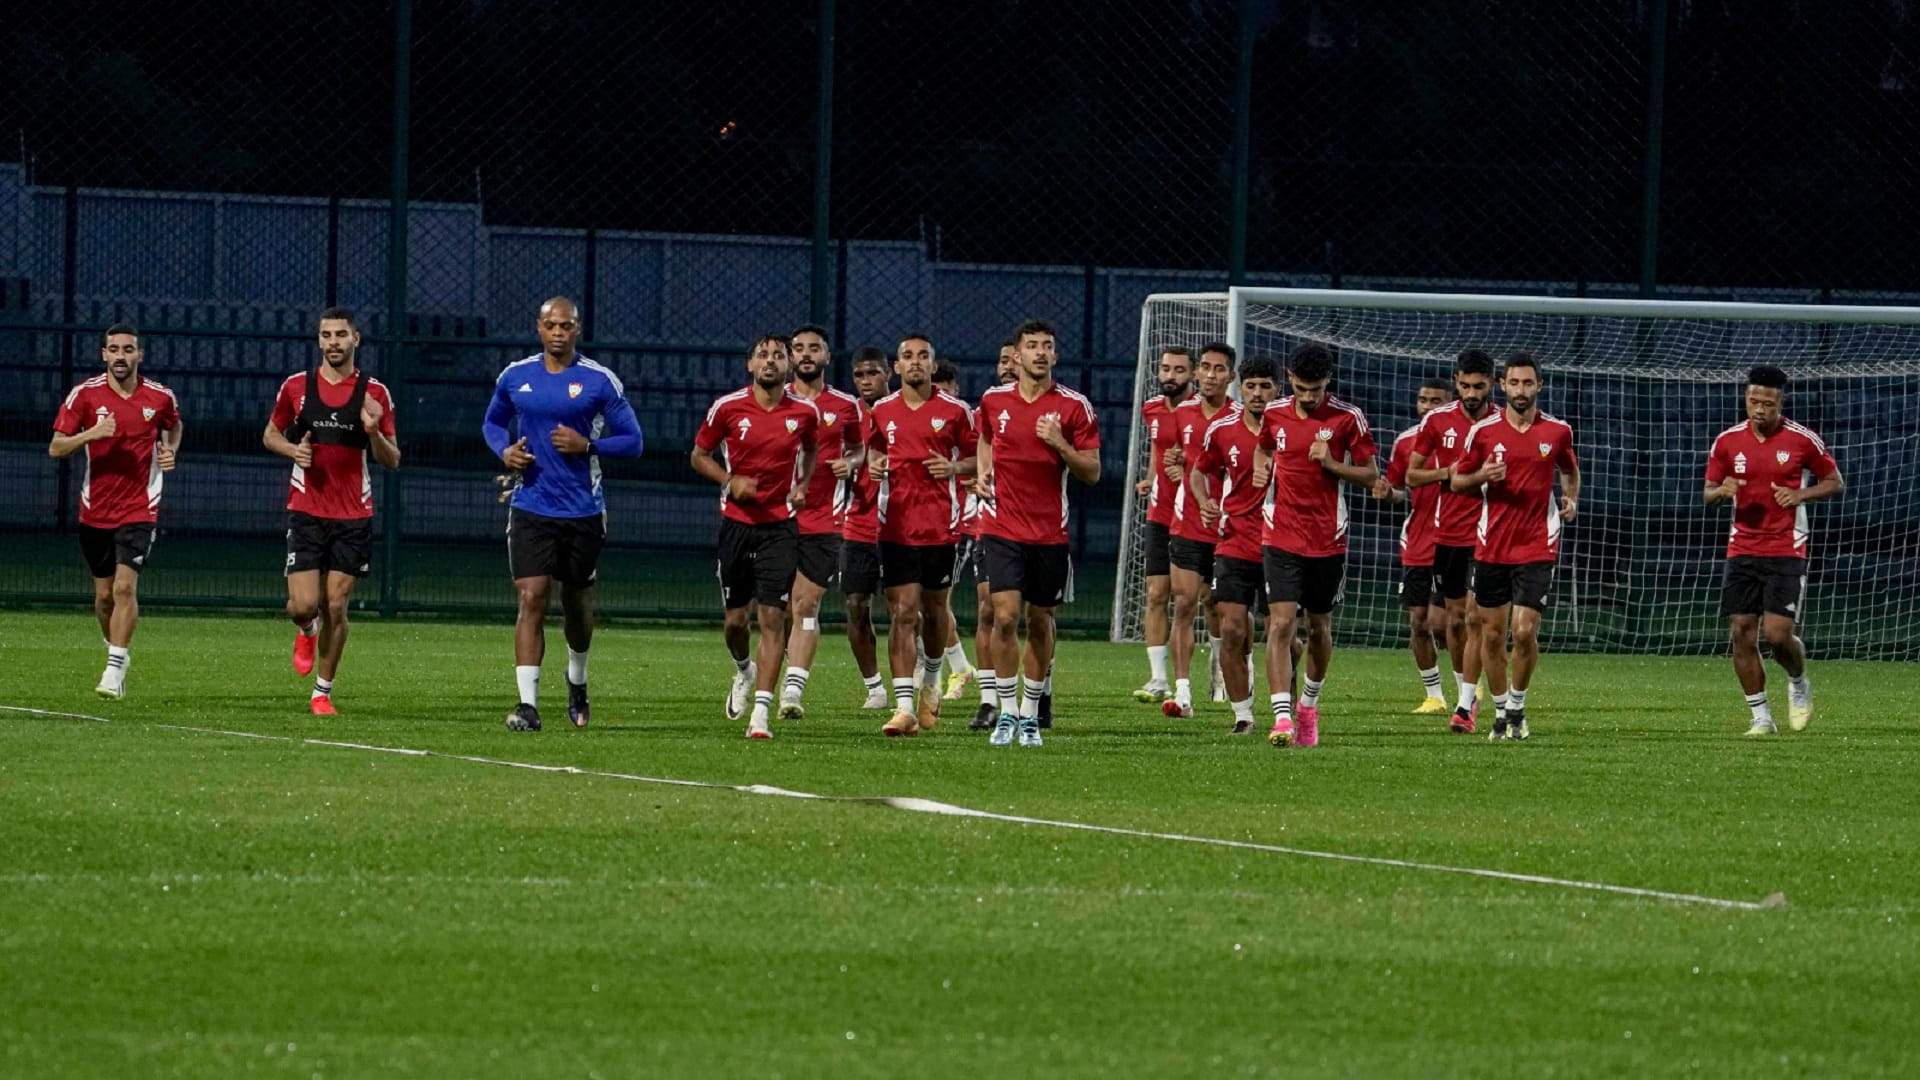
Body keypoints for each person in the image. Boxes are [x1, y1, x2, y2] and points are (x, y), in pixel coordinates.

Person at [481, 296, 643, 732]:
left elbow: (633, 440)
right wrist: (505, 451)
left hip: (582, 510)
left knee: (576, 606)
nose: (558, 332)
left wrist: (588, 446)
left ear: (577, 329)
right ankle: (528, 706)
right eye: (551, 325)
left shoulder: (598, 381)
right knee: (531, 596)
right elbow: (493, 423)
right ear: (538, 328)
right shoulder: (516, 376)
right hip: (531, 505)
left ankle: (577, 679)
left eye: (566, 326)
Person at [263, 307, 400, 716]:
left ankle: (322, 692)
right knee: (303, 605)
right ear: (319, 340)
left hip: (352, 515)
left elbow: (392, 459)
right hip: (306, 510)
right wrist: (292, 449)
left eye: (341, 335)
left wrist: (373, 432)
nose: (333, 343)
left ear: (356, 339)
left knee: (336, 604)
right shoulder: (296, 387)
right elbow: (270, 434)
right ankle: (307, 629)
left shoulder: (375, 393)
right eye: (326, 335)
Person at [977, 319, 1101, 748]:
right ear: (1017, 354)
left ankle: (1031, 713)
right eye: (1032, 346)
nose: (1041, 353)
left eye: (1048, 346)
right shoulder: (994, 401)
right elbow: (985, 439)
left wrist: (1060, 444)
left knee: (1040, 619)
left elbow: (1092, 471)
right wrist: (982, 474)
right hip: (1001, 525)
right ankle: (1007, 713)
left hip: (1049, 531)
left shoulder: (1073, 407)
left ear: (1055, 355)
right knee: (1005, 615)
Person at [690, 334, 819, 738]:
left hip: (780, 528)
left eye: (778, 355)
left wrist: (802, 485)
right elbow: (698, 456)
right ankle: (744, 671)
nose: (770, 361)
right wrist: (730, 481)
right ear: (750, 365)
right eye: (762, 355)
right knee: (734, 622)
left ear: (789, 366)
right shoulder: (727, 408)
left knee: (773, 618)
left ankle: (760, 715)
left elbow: (811, 450)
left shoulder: (804, 413)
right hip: (736, 525)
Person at [1449, 351, 1580, 741]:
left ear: (1539, 385)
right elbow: (1457, 482)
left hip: (1538, 542)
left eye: (1528, 383)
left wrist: (1570, 498)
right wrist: (1482, 475)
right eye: (1513, 382)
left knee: (1523, 632)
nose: (1520, 390)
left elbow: (1570, 472)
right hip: (1492, 545)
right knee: (1491, 635)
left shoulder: (1557, 432)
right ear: (1502, 385)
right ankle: (1504, 710)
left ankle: (1518, 706)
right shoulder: (1484, 432)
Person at [1704, 365, 1842, 736]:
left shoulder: (1802, 440)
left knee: (1777, 635)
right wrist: (1721, 492)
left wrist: (1800, 494)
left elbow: (1834, 481)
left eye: (1767, 402)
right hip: (1742, 548)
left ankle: (1798, 680)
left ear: (1780, 402)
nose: (1759, 409)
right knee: (1741, 632)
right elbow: (1708, 492)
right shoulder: (1727, 441)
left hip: (1786, 548)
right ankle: (1761, 717)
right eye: (1753, 401)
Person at [1252, 343, 1377, 748]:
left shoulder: (1348, 418)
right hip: (1281, 532)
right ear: (1290, 379)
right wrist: (1260, 463)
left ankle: (1309, 705)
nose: (1309, 397)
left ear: (1329, 382)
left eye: (1317, 389)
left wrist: (1332, 464)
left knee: (1319, 627)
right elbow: (1264, 445)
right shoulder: (1273, 413)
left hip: (1328, 537)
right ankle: (1282, 716)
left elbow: (1371, 474)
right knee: (1280, 624)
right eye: (1303, 389)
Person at [48, 323, 182, 700]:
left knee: (125, 587)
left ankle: (113, 667)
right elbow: (56, 447)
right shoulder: (84, 396)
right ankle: (116, 655)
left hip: (140, 505)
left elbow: (173, 425)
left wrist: (170, 450)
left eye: (128, 349)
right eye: (114, 349)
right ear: (103, 354)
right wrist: (91, 434)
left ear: (139, 354)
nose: (121, 356)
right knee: (105, 596)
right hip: (95, 509)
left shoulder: (159, 397)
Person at [867, 335, 977, 736]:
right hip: (896, 527)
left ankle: (931, 682)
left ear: (933, 366)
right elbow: (873, 452)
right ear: (896, 367)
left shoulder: (956, 412)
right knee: (902, 612)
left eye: (923, 357)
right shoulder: (881, 411)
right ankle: (904, 706)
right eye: (907, 357)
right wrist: (875, 465)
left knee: (934, 613)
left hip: (941, 528)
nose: (915, 363)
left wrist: (955, 469)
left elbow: (979, 458)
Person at [778, 324, 865, 720]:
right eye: (798, 348)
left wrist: (850, 463)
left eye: (815, 348)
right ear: (789, 357)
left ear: (828, 357)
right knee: (770, 610)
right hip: (774, 518)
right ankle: (753, 671)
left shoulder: (846, 406)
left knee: (806, 603)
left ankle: (792, 690)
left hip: (825, 518)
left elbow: (861, 448)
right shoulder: (773, 401)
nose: (806, 354)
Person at [1408, 349, 1498, 732]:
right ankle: (1468, 690)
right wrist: (1447, 473)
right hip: (1449, 534)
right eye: (1465, 385)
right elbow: (1412, 475)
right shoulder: (1437, 421)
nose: (1471, 392)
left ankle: (1466, 701)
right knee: (1456, 621)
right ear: (1457, 382)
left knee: (1479, 618)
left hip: (1492, 532)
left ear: (1492, 383)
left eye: (1479, 386)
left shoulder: (1504, 421)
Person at [1187, 355, 1277, 735]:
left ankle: (1287, 702)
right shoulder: (1223, 429)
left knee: (1285, 637)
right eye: (1251, 386)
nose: (1257, 394)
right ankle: (1243, 716)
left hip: (1282, 545)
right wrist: (1206, 502)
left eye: (1265, 386)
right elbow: (1198, 472)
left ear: (1278, 389)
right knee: (1233, 628)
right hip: (1234, 542)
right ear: (1241, 387)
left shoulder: (1292, 429)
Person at [1160, 342, 1238, 717]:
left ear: (1231, 377)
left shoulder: (1241, 418)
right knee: (1184, 603)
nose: (1210, 374)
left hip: (1228, 528)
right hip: (1187, 522)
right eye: (1204, 367)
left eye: (1218, 369)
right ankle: (1182, 691)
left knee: (1220, 608)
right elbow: (1181, 455)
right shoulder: (1183, 412)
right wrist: (1175, 465)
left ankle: (1224, 670)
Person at [1374, 378, 1457, 714]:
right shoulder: (1406, 442)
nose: (1427, 406)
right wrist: (1386, 494)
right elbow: (1397, 489)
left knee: (1446, 622)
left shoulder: (1465, 438)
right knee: (1419, 623)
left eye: (1435, 401)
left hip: (1455, 540)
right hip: (1418, 543)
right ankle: (1434, 695)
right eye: (1423, 400)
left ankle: (1470, 687)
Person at [1132, 346, 1195, 704]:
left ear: (1192, 375)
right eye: (1166, 368)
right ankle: (1158, 678)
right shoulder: (1152, 408)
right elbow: (1160, 450)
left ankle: (1221, 666)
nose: (1170, 375)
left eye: (1179, 370)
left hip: (1195, 514)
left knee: (1203, 601)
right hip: (1161, 512)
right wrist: (1150, 477)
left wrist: (1186, 464)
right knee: (1157, 593)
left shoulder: (1200, 413)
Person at [966, 339, 1021, 729]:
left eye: (1015, 359)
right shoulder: (986, 409)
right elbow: (974, 451)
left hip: (1041, 529)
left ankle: (1039, 696)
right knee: (990, 609)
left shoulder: (1053, 411)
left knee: (1036, 616)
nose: (1009, 366)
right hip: (990, 525)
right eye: (1003, 359)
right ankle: (990, 701)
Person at [840, 347, 893, 709]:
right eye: (859, 375)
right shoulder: (847, 414)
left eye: (872, 373)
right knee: (857, 606)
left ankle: (920, 672)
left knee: (906, 610)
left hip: (903, 527)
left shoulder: (904, 411)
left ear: (888, 373)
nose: (865, 381)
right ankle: (874, 686)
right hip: (858, 523)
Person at [930, 359, 980, 701]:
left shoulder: (965, 418)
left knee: (936, 603)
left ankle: (957, 668)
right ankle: (953, 666)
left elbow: (985, 460)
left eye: (946, 389)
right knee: (925, 604)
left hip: (962, 521)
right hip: (926, 523)